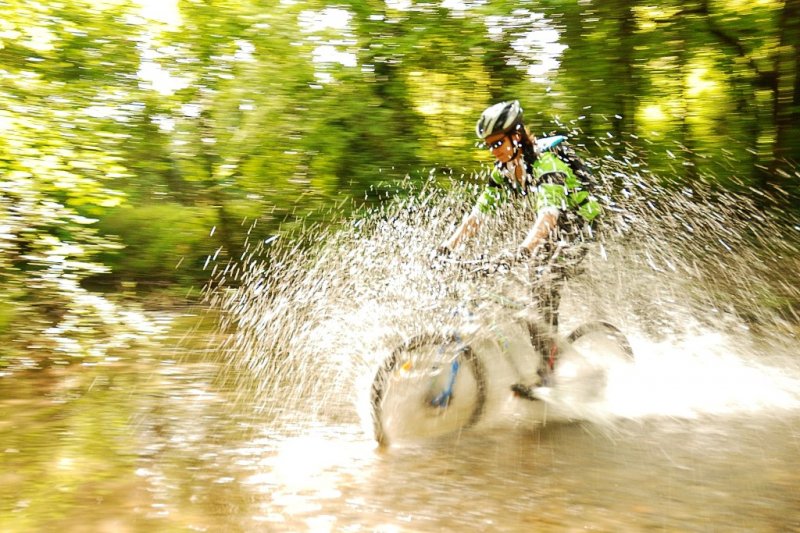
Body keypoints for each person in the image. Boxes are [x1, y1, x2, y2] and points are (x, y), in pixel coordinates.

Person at [438, 100, 601, 394]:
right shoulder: (505, 170)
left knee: (541, 283)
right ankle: (542, 353)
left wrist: (523, 250)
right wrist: (447, 248)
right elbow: (477, 215)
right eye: (488, 145)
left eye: (497, 142)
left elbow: (549, 214)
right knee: (525, 292)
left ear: (516, 135)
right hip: (553, 229)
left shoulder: (546, 163)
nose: (493, 150)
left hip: (579, 228)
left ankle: (548, 369)